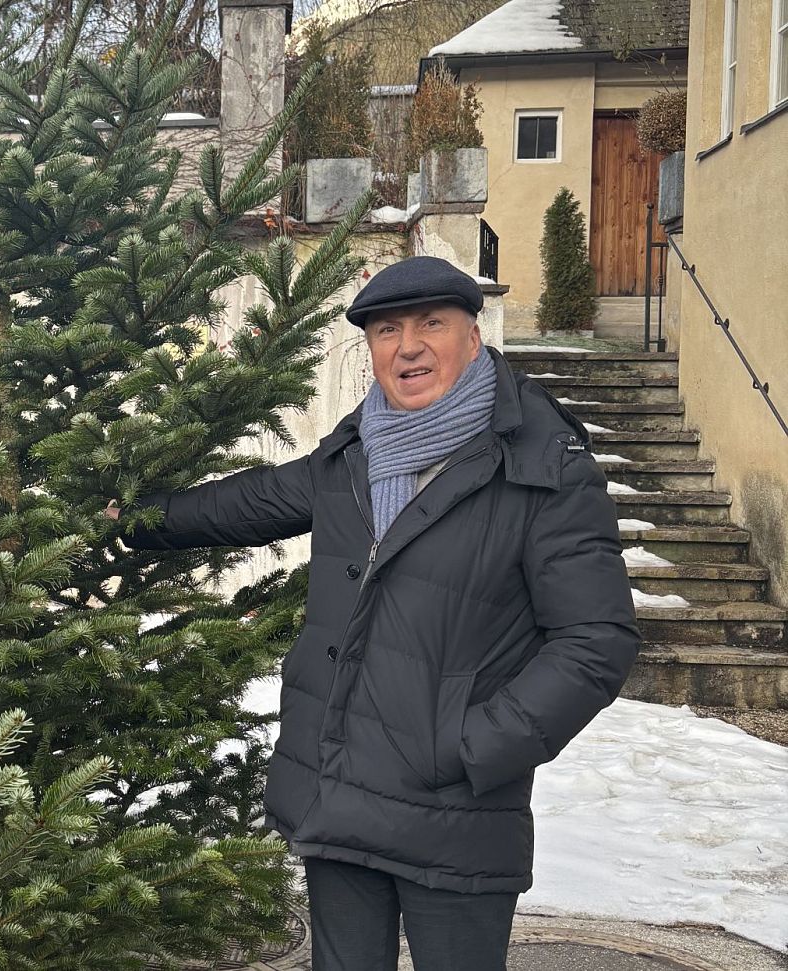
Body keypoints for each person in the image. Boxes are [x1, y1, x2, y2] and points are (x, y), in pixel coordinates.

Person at [112, 256, 639, 970]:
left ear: (472, 335)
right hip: (339, 795)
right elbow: (255, 501)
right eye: (387, 330)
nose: (408, 346)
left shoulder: (542, 468)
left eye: (431, 324)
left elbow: (595, 641)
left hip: (455, 813)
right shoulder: (356, 454)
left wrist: (473, 747)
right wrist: (129, 520)